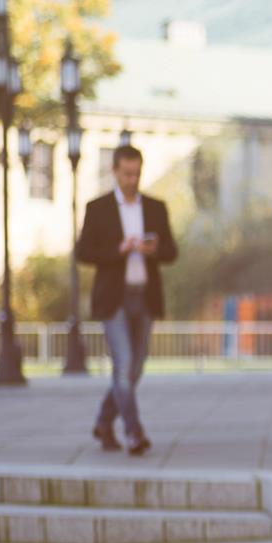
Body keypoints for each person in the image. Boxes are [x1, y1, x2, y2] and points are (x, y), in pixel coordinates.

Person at [75, 145, 176, 456]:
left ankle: (104, 421)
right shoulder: (98, 208)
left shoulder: (155, 208)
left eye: (136, 174)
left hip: (144, 297)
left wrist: (153, 250)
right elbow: (83, 252)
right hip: (113, 299)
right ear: (115, 171)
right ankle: (134, 432)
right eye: (127, 174)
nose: (132, 180)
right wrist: (118, 250)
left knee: (135, 368)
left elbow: (171, 251)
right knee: (124, 364)